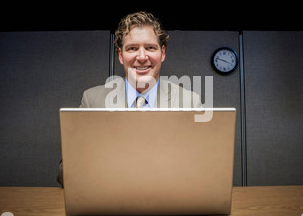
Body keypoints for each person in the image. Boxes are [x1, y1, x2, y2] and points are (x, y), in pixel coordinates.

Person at [57, 11, 202, 186]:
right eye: (132, 48)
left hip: (169, 204)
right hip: (111, 203)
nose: (141, 57)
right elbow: (65, 173)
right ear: (120, 55)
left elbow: (203, 170)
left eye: (150, 47)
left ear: (162, 53)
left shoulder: (189, 102)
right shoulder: (93, 100)